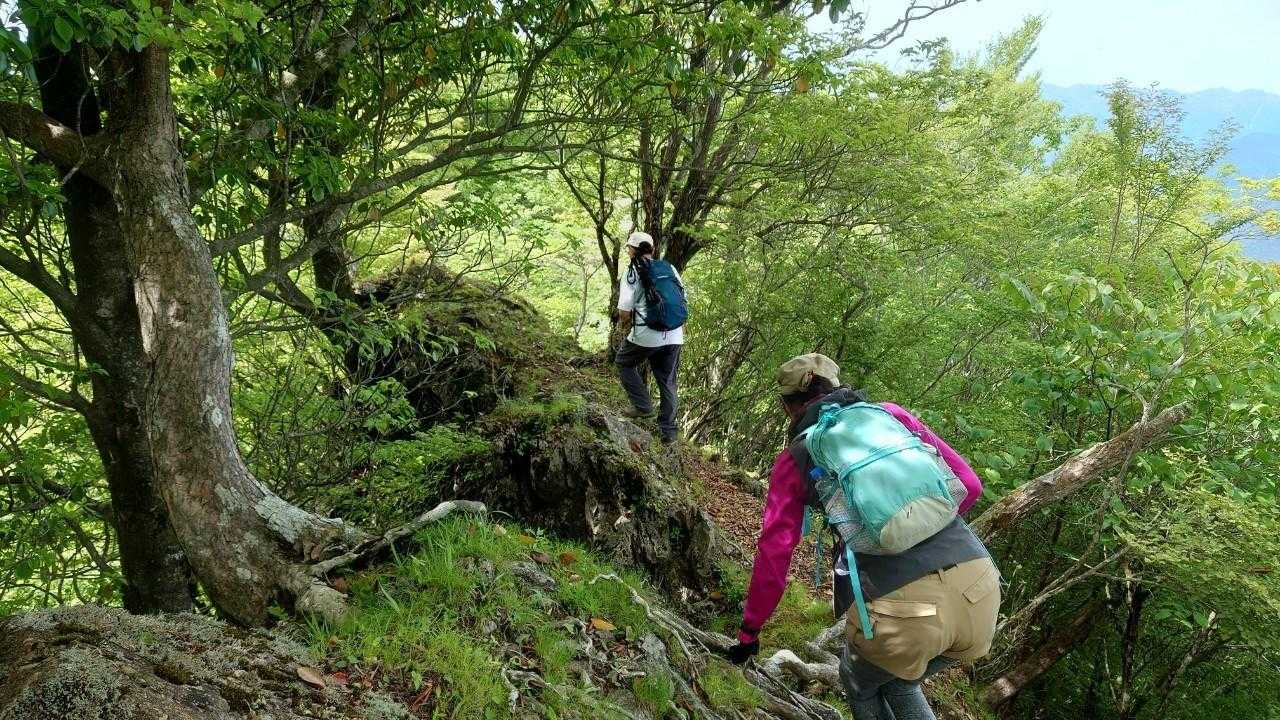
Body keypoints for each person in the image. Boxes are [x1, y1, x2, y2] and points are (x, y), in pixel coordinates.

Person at [727, 353, 999, 720]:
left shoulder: (796, 458)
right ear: (838, 387)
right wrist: (921, 527)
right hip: (982, 590)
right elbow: (970, 485)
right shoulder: (890, 415)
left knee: (858, 681)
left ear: (787, 406)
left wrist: (749, 633)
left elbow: (775, 554)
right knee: (897, 682)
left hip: (905, 611)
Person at [615, 231, 685, 444]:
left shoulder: (631, 272)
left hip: (647, 334)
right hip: (674, 334)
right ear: (652, 249)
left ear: (632, 251)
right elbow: (682, 298)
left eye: (628, 248)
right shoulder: (669, 268)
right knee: (668, 381)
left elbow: (624, 312)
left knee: (624, 362)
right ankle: (669, 433)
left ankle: (643, 406)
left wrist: (623, 326)